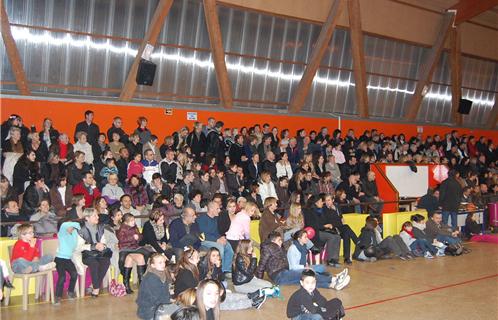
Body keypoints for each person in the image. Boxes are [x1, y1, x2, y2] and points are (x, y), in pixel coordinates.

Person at [257, 232, 349, 290]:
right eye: (279, 240)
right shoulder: (268, 248)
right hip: (279, 275)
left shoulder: (280, 248)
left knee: (306, 283)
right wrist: (259, 281)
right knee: (307, 273)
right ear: (273, 241)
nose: (281, 241)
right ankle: (334, 279)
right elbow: (261, 264)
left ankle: (332, 285)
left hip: (284, 274)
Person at [78, 208, 111, 297]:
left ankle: (93, 285)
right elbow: (78, 247)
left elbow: (104, 241)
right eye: (94, 216)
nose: (98, 217)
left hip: (99, 253)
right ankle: (96, 289)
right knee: (94, 263)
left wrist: (103, 246)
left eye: (97, 215)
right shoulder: (81, 229)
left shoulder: (100, 227)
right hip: (86, 254)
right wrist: (93, 246)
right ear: (87, 218)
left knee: (106, 261)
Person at [303, 195, 342, 268]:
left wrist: (330, 224)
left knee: (337, 237)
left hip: (323, 230)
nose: (323, 203)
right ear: (316, 203)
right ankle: (329, 259)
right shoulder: (308, 212)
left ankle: (335, 259)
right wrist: (324, 226)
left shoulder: (322, 210)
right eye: (321, 201)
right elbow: (312, 225)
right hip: (315, 233)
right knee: (332, 237)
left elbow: (326, 220)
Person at [197, 202, 234, 275]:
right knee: (220, 248)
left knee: (229, 248)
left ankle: (226, 270)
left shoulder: (215, 218)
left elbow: (216, 232)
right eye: (217, 209)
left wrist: (221, 237)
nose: (219, 210)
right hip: (204, 240)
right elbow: (202, 235)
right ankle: (218, 270)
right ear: (211, 209)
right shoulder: (201, 219)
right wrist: (217, 240)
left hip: (214, 239)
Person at [136, 253, 177, 320]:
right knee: (177, 312)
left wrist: (170, 299)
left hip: (158, 305)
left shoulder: (161, 274)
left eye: (164, 262)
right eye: (160, 263)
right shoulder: (151, 278)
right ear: (153, 265)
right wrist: (169, 303)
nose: (163, 264)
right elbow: (156, 298)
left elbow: (164, 292)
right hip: (149, 309)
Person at [324, 193, 359, 265]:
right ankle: (357, 242)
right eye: (326, 200)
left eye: (329, 200)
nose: (327, 202)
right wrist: (333, 211)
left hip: (340, 227)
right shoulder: (324, 209)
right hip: (332, 228)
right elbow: (328, 221)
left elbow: (340, 217)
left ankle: (347, 258)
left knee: (346, 234)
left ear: (333, 200)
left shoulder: (337, 206)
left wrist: (341, 217)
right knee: (346, 227)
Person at [117, 213, 148, 294]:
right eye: (131, 221)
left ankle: (142, 282)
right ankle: (125, 281)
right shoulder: (122, 228)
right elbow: (121, 239)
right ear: (126, 222)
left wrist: (138, 237)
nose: (134, 222)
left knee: (147, 253)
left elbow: (140, 236)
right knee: (122, 259)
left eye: (134, 220)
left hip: (134, 247)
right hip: (125, 247)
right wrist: (132, 238)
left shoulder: (135, 227)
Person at [54, 221, 81, 305]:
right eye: (70, 226)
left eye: (72, 226)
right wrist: (75, 224)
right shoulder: (62, 234)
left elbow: (77, 229)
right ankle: (58, 296)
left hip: (68, 259)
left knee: (74, 274)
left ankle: (70, 291)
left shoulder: (74, 234)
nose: (71, 227)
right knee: (62, 276)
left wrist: (75, 229)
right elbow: (64, 225)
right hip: (59, 259)